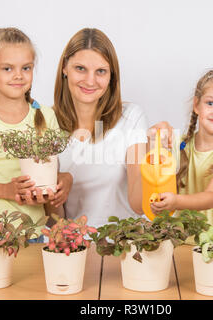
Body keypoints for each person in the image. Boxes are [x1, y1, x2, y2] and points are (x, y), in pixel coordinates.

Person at [25, 28, 168, 227]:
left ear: (111, 76)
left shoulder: (131, 117)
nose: (90, 80)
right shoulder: (46, 123)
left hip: (124, 244)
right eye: (80, 68)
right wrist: (53, 191)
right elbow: (53, 221)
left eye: (100, 71)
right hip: (75, 248)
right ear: (65, 68)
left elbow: (138, 205)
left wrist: (156, 153)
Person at [0, 28, 72, 242]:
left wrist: (61, 185)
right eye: (7, 68)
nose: (18, 75)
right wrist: (6, 191)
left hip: (33, 231)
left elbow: (49, 177)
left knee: (31, 277)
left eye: (26, 68)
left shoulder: (46, 117)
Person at [151, 69, 213, 228]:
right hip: (180, 240)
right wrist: (155, 137)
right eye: (210, 103)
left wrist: (175, 201)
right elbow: (154, 172)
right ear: (196, 105)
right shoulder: (178, 144)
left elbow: (211, 197)